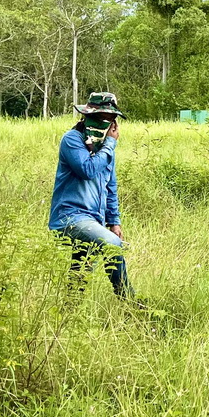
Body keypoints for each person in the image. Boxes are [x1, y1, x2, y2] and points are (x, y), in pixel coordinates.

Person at [48, 91, 129, 296]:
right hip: (70, 217)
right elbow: (87, 170)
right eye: (101, 118)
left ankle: (68, 312)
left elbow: (110, 186)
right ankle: (128, 300)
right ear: (87, 116)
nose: (107, 124)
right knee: (112, 244)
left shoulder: (105, 149)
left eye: (111, 119)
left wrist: (114, 221)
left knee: (81, 271)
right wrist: (110, 144)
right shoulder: (72, 140)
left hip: (94, 219)